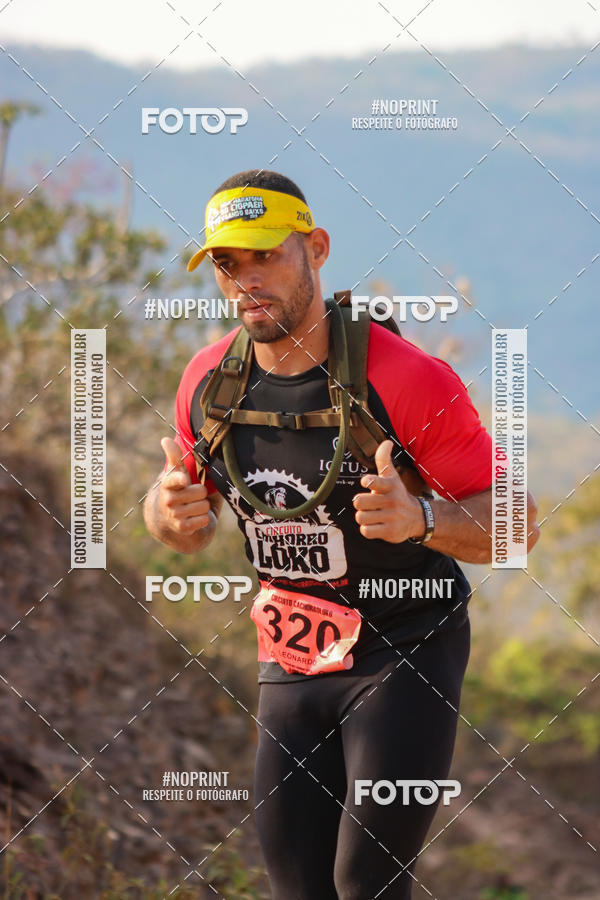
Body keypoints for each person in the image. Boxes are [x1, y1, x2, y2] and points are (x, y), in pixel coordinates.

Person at [143, 169, 540, 899]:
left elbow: (520, 521)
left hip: (403, 651)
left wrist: (424, 519)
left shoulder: (408, 380)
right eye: (228, 263)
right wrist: (167, 514)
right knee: (299, 889)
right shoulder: (208, 384)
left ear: (316, 249)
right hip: (292, 660)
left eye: (267, 255)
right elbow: (181, 521)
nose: (246, 280)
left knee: (368, 887)